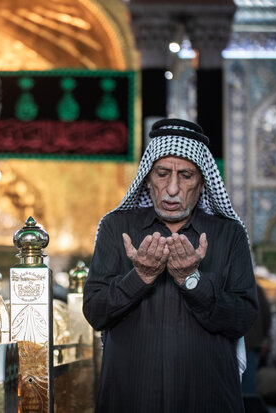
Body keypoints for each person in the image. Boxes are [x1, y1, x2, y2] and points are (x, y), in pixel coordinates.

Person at [83, 118, 259, 412]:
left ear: (203, 183)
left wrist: (192, 280)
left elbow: (242, 319)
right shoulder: (117, 227)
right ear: (147, 178)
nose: (173, 189)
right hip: (132, 395)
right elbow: (95, 312)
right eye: (162, 173)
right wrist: (139, 276)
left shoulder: (229, 234)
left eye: (187, 175)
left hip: (207, 397)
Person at [243, 283, 272, 394]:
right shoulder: (256, 289)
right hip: (252, 342)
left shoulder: (225, 283)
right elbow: (266, 315)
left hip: (230, 341)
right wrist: (264, 337)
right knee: (249, 382)